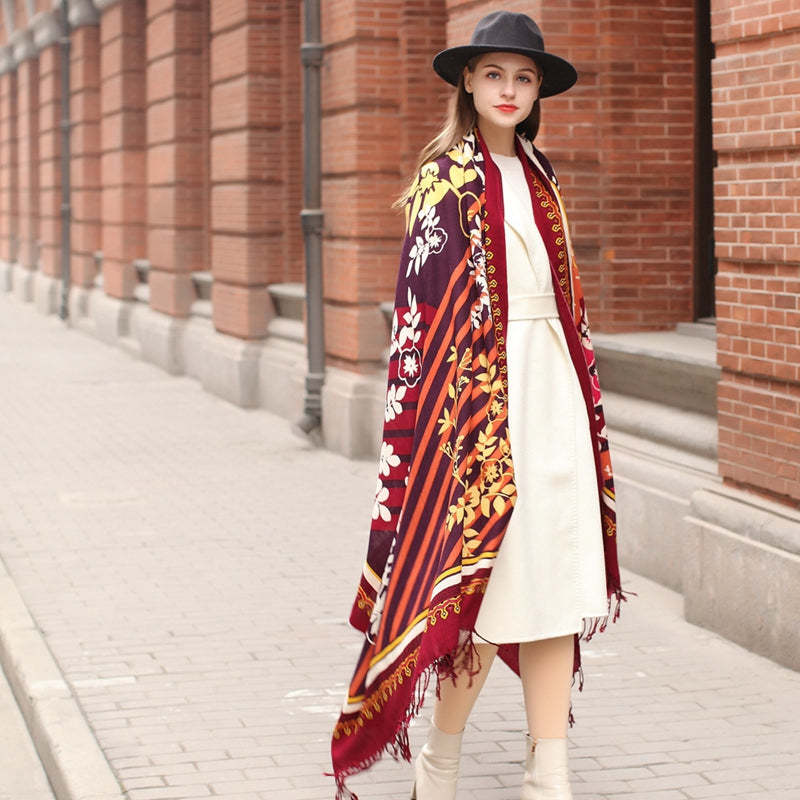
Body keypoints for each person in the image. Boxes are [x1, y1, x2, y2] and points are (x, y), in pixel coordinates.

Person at [330, 11, 635, 800]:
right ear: (468, 81)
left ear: (537, 93)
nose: (509, 90)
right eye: (495, 74)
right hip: (481, 412)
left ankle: (550, 771)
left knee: (556, 581)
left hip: (554, 396)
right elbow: (420, 320)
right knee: (492, 588)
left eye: (523, 78)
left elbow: (565, 303)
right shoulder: (444, 181)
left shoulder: (541, 176)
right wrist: (452, 425)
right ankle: (441, 756)